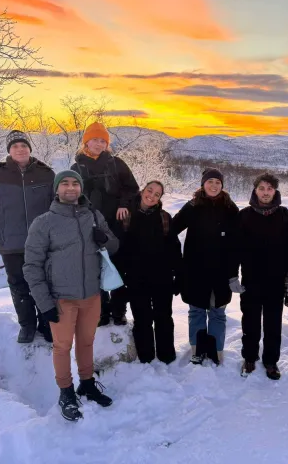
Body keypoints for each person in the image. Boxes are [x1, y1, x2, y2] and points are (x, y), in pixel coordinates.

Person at [23, 170, 118, 422]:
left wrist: (104, 240)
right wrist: (44, 303)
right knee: (62, 346)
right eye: (64, 183)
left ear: (81, 188)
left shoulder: (94, 216)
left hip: (91, 295)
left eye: (75, 183)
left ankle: (86, 384)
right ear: (56, 189)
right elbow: (31, 266)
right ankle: (66, 392)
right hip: (60, 297)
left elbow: (114, 245)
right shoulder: (43, 223)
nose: (70, 187)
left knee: (87, 343)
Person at [0, 130, 55, 343]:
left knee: (45, 284)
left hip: (42, 243)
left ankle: (48, 324)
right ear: (9, 151)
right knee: (19, 286)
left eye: (23, 145)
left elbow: (58, 208)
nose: (20, 149)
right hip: (11, 243)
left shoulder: (46, 174)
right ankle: (27, 325)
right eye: (15, 146)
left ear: (30, 148)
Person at [231, 173, 288, 380]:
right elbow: (234, 249)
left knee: (273, 323)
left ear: (275, 191)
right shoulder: (244, 216)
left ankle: (271, 361)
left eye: (269, 189)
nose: (265, 192)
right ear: (255, 190)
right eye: (261, 188)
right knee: (250, 321)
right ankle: (250, 357)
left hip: (276, 280)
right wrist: (232, 276)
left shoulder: (285, 216)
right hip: (251, 280)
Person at [71, 122, 139, 326]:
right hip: (89, 225)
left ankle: (119, 311)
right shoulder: (77, 167)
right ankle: (101, 311)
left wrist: (123, 204)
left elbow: (132, 188)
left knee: (119, 266)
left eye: (103, 140)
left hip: (116, 223)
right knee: (94, 268)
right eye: (95, 140)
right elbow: (71, 194)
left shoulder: (117, 164)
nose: (99, 144)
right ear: (86, 142)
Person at [172, 169, 239, 365]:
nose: (213, 186)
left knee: (218, 312)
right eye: (209, 181)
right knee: (197, 310)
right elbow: (172, 228)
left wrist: (233, 272)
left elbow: (237, 241)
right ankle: (197, 350)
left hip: (221, 270)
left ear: (222, 185)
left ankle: (216, 351)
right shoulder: (193, 206)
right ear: (203, 184)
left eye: (217, 182)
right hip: (195, 269)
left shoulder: (230, 207)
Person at [116, 181, 182, 364]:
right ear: (143, 191)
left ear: (160, 198)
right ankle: (146, 357)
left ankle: (166, 355)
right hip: (136, 279)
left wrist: (179, 276)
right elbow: (121, 251)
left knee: (164, 317)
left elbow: (175, 249)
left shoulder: (164, 217)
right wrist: (122, 279)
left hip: (162, 278)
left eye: (157, 194)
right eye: (150, 191)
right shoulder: (127, 216)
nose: (152, 196)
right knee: (141, 318)